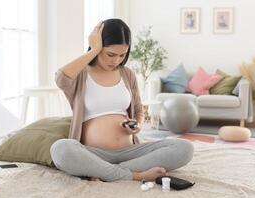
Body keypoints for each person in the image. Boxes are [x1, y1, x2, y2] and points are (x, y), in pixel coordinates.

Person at [50, 18, 194, 182]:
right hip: (94, 153)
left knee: (184, 148)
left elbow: (139, 110)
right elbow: (60, 78)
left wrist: (137, 125)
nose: (116, 61)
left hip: (130, 152)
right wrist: (93, 50)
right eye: (110, 54)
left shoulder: (127, 75)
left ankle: (107, 172)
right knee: (60, 149)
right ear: (98, 47)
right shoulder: (81, 75)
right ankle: (133, 174)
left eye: (122, 55)